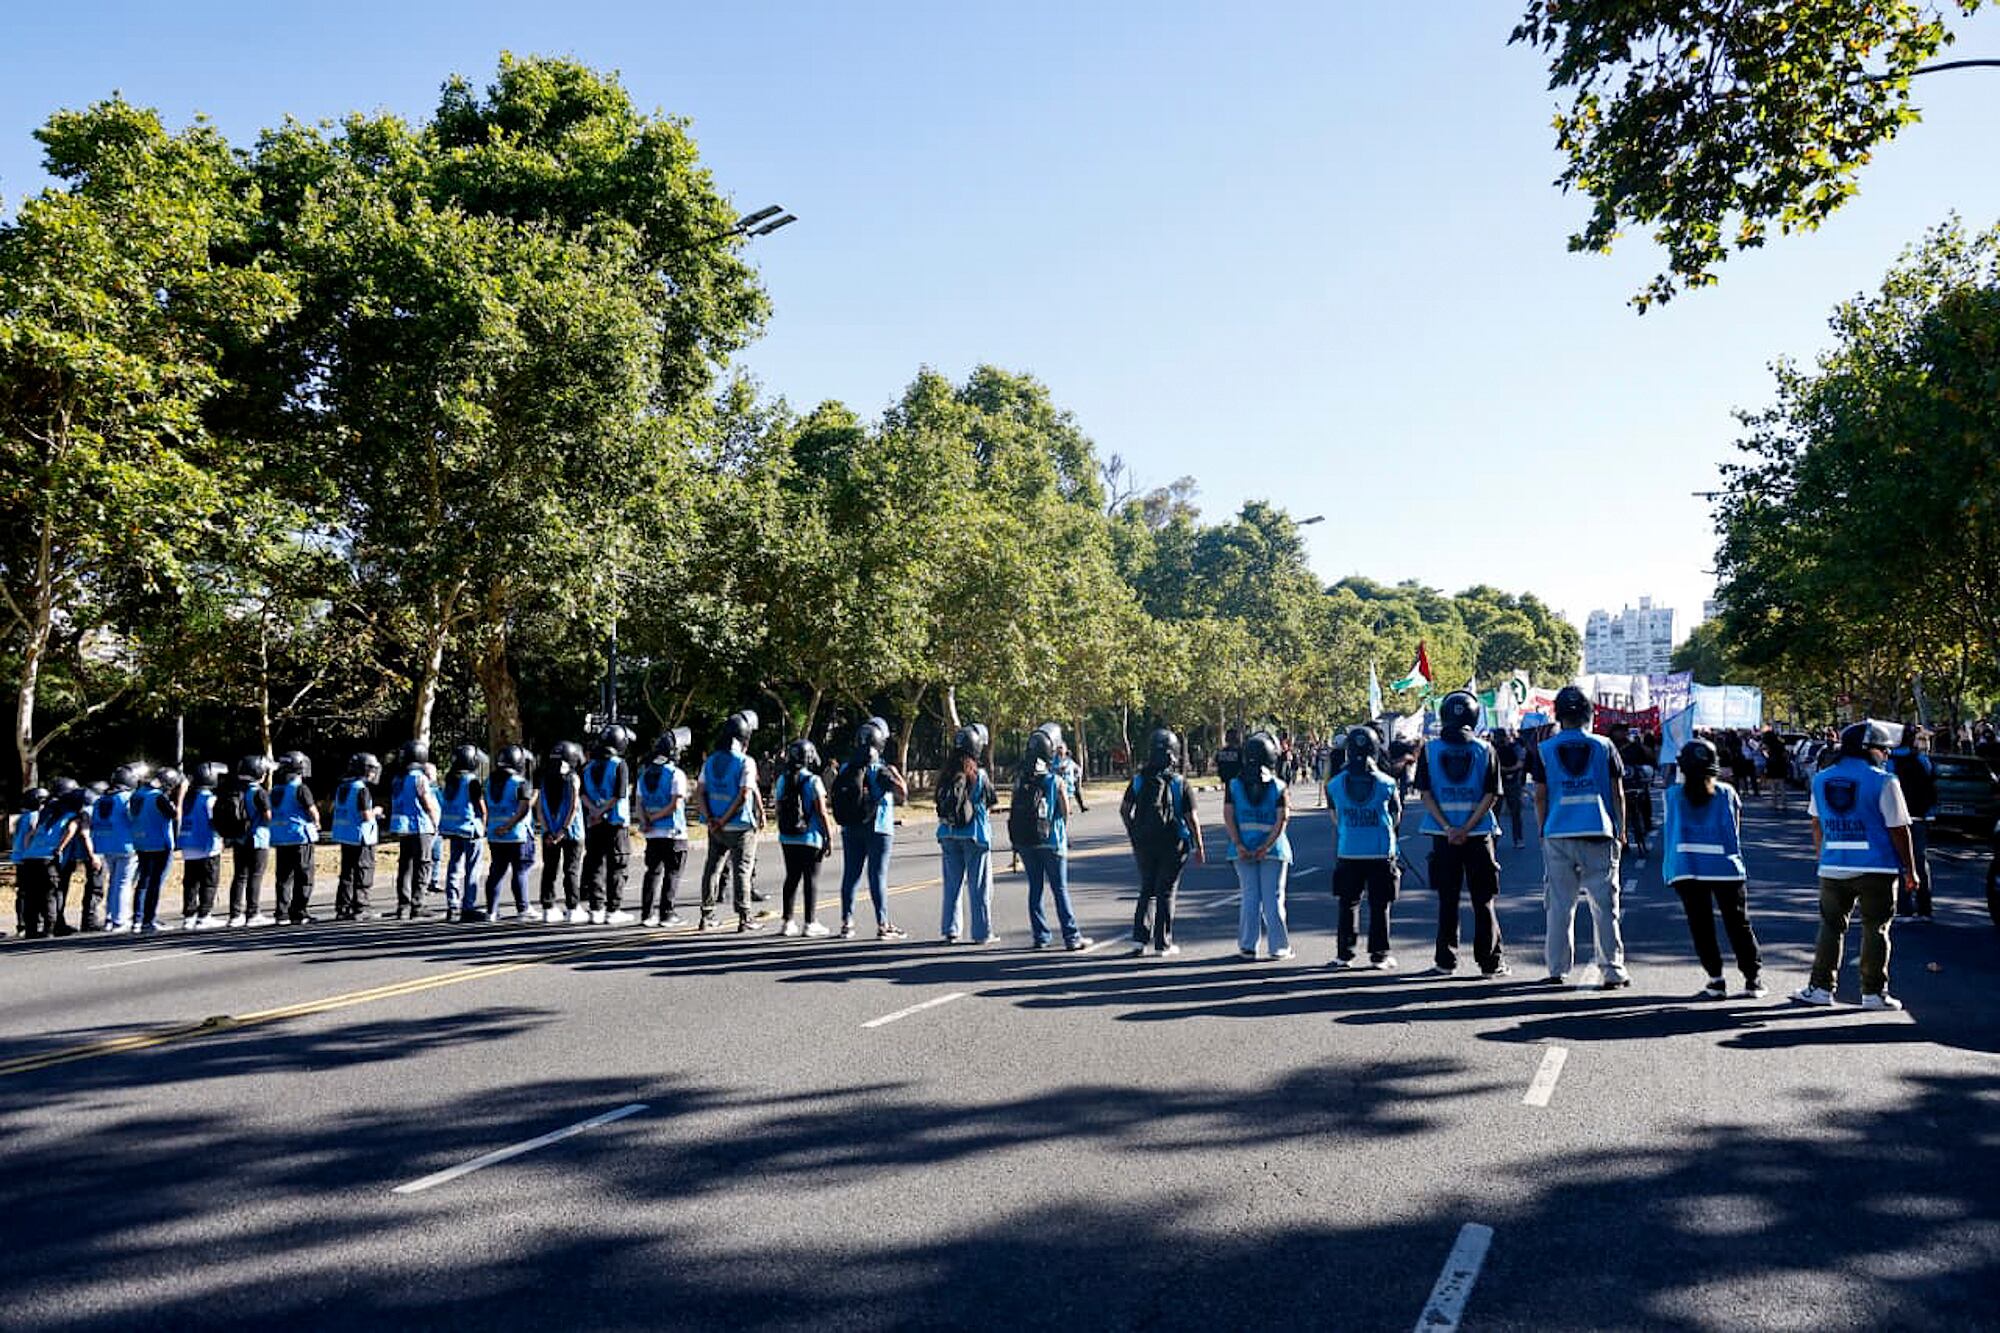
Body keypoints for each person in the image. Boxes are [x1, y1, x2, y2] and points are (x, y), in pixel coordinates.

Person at [1794, 721, 1922, 1010]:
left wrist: (1822, 855)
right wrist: (1910, 869)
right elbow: (1899, 829)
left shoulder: (1821, 778)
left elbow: (1816, 823)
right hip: (1877, 868)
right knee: (1876, 929)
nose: (1887, 755)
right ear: (1869, 749)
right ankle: (1873, 994)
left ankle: (1820, 989)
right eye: (1884, 749)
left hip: (1833, 867)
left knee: (1830, 927)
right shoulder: (1884, 781)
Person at [1529, 686, 1630, 989]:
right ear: (1589, 714)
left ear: (1557, 715)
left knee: (1560, 905)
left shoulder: (1545, 750)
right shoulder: (1605, 746)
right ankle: (1612, 969)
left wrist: (1542, 829)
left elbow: (1540, 796)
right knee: (1605, 906)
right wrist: (1621, 828)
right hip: (1599, 832)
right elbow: (1617, 792)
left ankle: (1557, 968)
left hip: (1558, 833)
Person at [1414, 691, 1507, 978]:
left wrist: (1448, 827)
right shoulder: (1485, 750)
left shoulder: (1429, 751)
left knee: (1447, 899)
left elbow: (1425, 793)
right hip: (1478, 835)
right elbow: (1491, 794)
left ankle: (1445, 961)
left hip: (1443, 837)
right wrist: (1467, 828)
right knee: (1484, 900)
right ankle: (1490, 963)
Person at [1663, 738, 1764, 999]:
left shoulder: (1672, 795)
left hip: (1687, 869)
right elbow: (1736, 829)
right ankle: (1753, 979)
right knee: (1739, 924)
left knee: (1701, 925)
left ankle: (1716, 979)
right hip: (1726, 868)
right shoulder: (1727, 793)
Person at [1120, 727, 1204, 958]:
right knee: (1166, 891)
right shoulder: (1179, 783)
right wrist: (1198, 845)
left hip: (1144, 843)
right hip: (1173, 842)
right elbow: (1191, 818)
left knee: (1147, 888)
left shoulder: (1138, 780)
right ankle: (1162, 942)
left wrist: (1133, 832)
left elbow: (1125, 809)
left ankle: (1139, 939)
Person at [1011, 722, 1092, 951]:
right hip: (1052, 841)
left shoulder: (1020, 779)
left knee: (1035, 889)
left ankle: (1041, 936)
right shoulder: (1053, 780)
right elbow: (1066, 811)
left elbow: (1013, 809)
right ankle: (1071, 936)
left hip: (1026, 841)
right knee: (1060, 889)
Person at [1327, 726, 1401, 970]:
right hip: (1380, 851)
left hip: (1348, 850)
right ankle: (1379, 955)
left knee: (1348, 903)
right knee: (1380, 905)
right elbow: (1396, 816)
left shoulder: (1335, 784)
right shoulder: (1388, 783)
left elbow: (1335, 816)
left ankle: (1344, 954)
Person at [832, 716, 909, 941]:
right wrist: (896, 774)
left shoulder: (847, 766)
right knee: (877, 876)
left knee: (850, 875)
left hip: (850, 827)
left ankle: (847, 923)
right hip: (879, 828)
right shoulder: (880, 768)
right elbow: (903, 794)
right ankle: (883, 925)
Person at [1226, 730, 1294, 961]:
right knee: (1273, 899)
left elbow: (1228, 816)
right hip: (1273, 850)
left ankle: (1248, 945)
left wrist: (1238, 843)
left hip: (1242, 848)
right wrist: (1267, 845)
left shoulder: (1233, 785)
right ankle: (1279, 948)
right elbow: (1282, 818)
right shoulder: (1279, 786)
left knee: (1249, 897)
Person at [696, 710, 762, 933]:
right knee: (742, 869)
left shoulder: (711, 761)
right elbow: (744, 794)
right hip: (740, 825)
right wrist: (724, 819)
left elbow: (700, 791)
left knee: (712, 868)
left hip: (715, 826)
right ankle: (744, 917)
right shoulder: (746, 762)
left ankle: (707, 916)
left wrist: (711, 820)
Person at [937, 723, 999, 945]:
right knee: (979, 887)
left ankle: (951, 930)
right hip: (975, 835)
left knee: (952, 885)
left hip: (947, 833)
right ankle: (982, 933)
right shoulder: (979, 775)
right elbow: (992, 801)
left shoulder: (946, 774)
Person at [774, 738, 835, 937]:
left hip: (788, 837)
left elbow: (778, 807)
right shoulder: (813, 781)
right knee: (811, 879)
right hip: (810, 837)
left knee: (791, 878)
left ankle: (787, 922)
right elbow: (822, 812)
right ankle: (810, 922)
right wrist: (829, 836)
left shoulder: (783, 779)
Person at [579, 726, 636, 925]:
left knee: (595, 864)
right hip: (615, 822)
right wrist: (602, 811)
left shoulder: (587, 766)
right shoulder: (619, 765)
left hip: (594, 822)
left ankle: (596, 909)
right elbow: (618, 795)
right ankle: (613, 909)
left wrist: (594, 811)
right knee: (618, 865)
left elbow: (583, 794)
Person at [635, 730, 691, 928]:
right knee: (672, 873)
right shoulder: (676, 774)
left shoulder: (645, 773)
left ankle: (646, 914)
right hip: (673, 832)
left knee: (652, 872)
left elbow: (639, 803)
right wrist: (656, 817)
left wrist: (646, 820)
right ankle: (667, 914)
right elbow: (675, 804)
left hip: (652, 833)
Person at [433, 745, 488, 922]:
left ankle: (452, 904)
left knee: (454, 866)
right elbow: (481, 808)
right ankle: (468, 906)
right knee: (472, 868)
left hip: (453, 828)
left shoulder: (450, 779)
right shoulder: (471, 781)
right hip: (471, 828)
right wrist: (485, 826)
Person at [1888, 726, 1938, 922]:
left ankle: (1903, 905)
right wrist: (1929, 814)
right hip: (1919, 817)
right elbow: (1930, 786)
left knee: (1900, 860)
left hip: (1896, 818)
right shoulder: (1922, 760)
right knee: (1919, 860)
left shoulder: (1889, 762)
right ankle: (1924, 906)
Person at [481, 744, 536, 922]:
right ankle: (523, 909)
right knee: (520, 871)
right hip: (517, 834)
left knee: (496, 871)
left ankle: (491, 911)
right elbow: (523, 809)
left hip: (495, 834)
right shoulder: (520, 782)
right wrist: (508, 826)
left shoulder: (489, 782)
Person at [387, 741, 441, 920]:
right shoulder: (419, 777)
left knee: (405, 866)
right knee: (423, 864)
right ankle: (418, 904)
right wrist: (435, 822)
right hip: (421, 825)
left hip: (403, 826)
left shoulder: (397, 778)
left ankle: (403, 905)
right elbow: (427, 801)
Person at [534, 741, 586, 922]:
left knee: (549, 869)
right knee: (571, 870)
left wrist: (548, 831)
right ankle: (573, 908)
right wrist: (563, 830)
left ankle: (548, 908)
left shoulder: (544, 777)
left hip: (549, 831)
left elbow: (539, 808)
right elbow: (574, 805)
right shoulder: (572, 777)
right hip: (572, 832)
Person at [267, 750, 320, 925]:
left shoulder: (275, 790)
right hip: (300, 837)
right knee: (304, 876)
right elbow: (312, 811)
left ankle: (281, 913)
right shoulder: (301, 788)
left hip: (281, 837)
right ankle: (299, 911)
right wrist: (317, 823)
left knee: (283, 877)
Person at [220, 756, 273, 927]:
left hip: (239, 838)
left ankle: (235, 915)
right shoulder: (259, 792)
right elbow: (267, 816)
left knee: (239, 876)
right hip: (258, 838)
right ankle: (253, 912)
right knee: (255, 876)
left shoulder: (236, 790)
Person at [330, 753, 383, 921]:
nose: (374, 774)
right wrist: (377, 812)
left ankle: (343, 907)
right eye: (372, 770)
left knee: (347, 873)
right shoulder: (362, 790)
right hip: (362, 836)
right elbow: (366, 815)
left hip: (345, 835)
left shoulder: (342, 787)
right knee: (363, 871)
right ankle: (361, 907)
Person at [89, 764, 140, 932]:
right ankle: (121, 920)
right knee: (124, 883)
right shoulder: (127, 798)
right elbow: (134, 818)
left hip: (105, 844)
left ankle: (110, 918)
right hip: (126, 844)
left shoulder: (101, 799)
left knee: (113, 883)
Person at [177, 763, 227, 930]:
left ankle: (189, 916)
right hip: (207, 845)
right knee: (209, 882)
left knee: (190, 883)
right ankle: (204, 915)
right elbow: (215, 822)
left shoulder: (187, 799)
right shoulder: (210, 799)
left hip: (188, 845)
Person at [129, 767, 179, 933]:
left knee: (143, 881)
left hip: (141, 841)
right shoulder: (158, 797)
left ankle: (137, 918)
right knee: (155, 883)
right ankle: (148, 919)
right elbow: (173, 814)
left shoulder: (138, 794)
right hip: (159, 843)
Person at [10, 786, 48, 935]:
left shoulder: (23, 816)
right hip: (28, 857)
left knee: (23, 892)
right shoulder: (35, 816)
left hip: (18, 856)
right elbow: (32, 834)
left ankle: (21, 924)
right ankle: (28, 923)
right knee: (31, 892)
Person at [1618, 730, 1654, 863]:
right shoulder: (1611, 745)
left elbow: (1649, 762)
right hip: (1621, 783)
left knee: (1644, 797)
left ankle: (1647, 822)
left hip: (1636, 781)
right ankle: (1622, 837)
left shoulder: (1637, 747)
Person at [1494, 730, 1528, 848]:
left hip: (1508, 782)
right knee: (1496, 814)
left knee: (1515, 813)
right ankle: (1495, 839)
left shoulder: (1514, 748)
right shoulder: (1494, 749)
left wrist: (1504, 770)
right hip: (1503, 782)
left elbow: (1520, 763)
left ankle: (1517, 838)